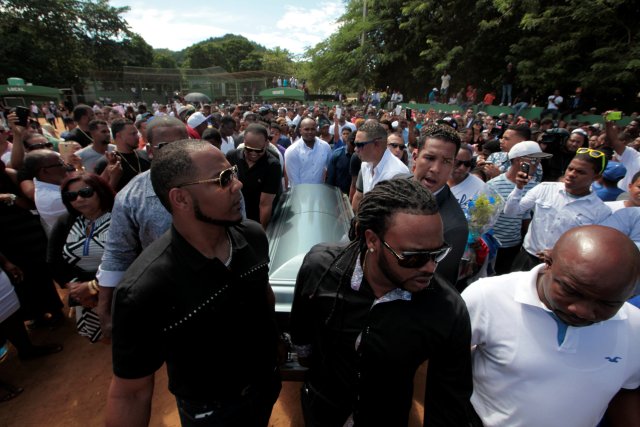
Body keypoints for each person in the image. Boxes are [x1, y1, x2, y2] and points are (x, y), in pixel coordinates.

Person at [106, 140, 281, 427]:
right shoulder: (143, 288)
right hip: (210, 412)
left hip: (264, 386)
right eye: (223, 180)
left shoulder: (252, 236)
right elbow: (131, 395)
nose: (237, 185)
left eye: (233, 173)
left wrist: (273, 341)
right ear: (181, 199)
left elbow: (263, 295)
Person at [290, 179, 473, 427]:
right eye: (412, 257)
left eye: (437, 253)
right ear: (372, 240)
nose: (430, 267)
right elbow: (303, 340)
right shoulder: (320, 267)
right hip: (321, 412)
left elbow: (448, 406)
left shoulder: (448, 310)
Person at [462, 225, 640, 427]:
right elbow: (440, 365)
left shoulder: (635, 328)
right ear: (547, 261)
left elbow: (627, 391)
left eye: (607, 303)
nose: (582, 311)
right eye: (572, 291)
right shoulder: (488, 297)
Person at [95, 117, 188, 338]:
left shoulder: (221, 182)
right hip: (162, 294)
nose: (177, 152)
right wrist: (105, 308)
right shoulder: (131, 195)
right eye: (166, 147)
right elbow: (118, 253)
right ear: (150, 150)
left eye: (183, 144)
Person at [504, 148, 612, 271]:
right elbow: (511, 211)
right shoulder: (544, 189)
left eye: (580, 172)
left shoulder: (601, 211)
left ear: (596, 177)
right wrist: (519, 188)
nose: (571, 174)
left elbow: (592, 246)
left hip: (562, 267)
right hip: (527, 259)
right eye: (570, 169)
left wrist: (559, 253)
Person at [47, 173, 114, 342]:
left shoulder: (120, 216)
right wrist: (76, 289)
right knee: (107, 341)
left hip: (120, 291)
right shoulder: (65, 221)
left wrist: (93, 288)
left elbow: (132, 258)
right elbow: (53, 260)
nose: (78, 199)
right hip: (84, 298)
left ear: (100, 191)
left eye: (85, 192)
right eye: (71, 196)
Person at [411, 124, 469, 286]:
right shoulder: (394, 184)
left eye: (446, 162)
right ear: (415, 156)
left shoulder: (453, 227)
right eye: (430, 158)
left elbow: (437, 286)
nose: (436, 169)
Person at [487, 141, 549, 274]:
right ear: (517, 160)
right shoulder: (493, 185)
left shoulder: (535, 187)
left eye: (539, 159)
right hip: (491, 245)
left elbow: (526, 216)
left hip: (515, 246)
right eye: (533, 159)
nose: (537, 163)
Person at [226, 124, 281, 228]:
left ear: (266, 144)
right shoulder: (232, 156)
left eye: (258, 150)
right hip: (234, 217)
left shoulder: (272, 165)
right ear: (244, 143)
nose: (253, 153)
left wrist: (262, 231)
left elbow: (265, 204)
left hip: (256, 220)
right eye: (249, 149)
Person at [351, 121, 409, 212]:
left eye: (359, 145)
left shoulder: (399, 174)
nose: (355, 149)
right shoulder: (365, 164)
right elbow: (358, 197)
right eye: (355, 144)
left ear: (376, 144)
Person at [284, 117, 331, 187]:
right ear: (300, 131)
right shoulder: (291, 151)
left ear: (316, 130)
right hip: (300, 194)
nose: (310, 132)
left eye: (313, 129)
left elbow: (329, 169)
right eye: (306, 129)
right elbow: (294, 180)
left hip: (320, 193)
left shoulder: (325, 147)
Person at [447, 144, 486, 210]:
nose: (462, 167)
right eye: (458, 162)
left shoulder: (481, 188)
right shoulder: (435, 178)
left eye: (467, 164)